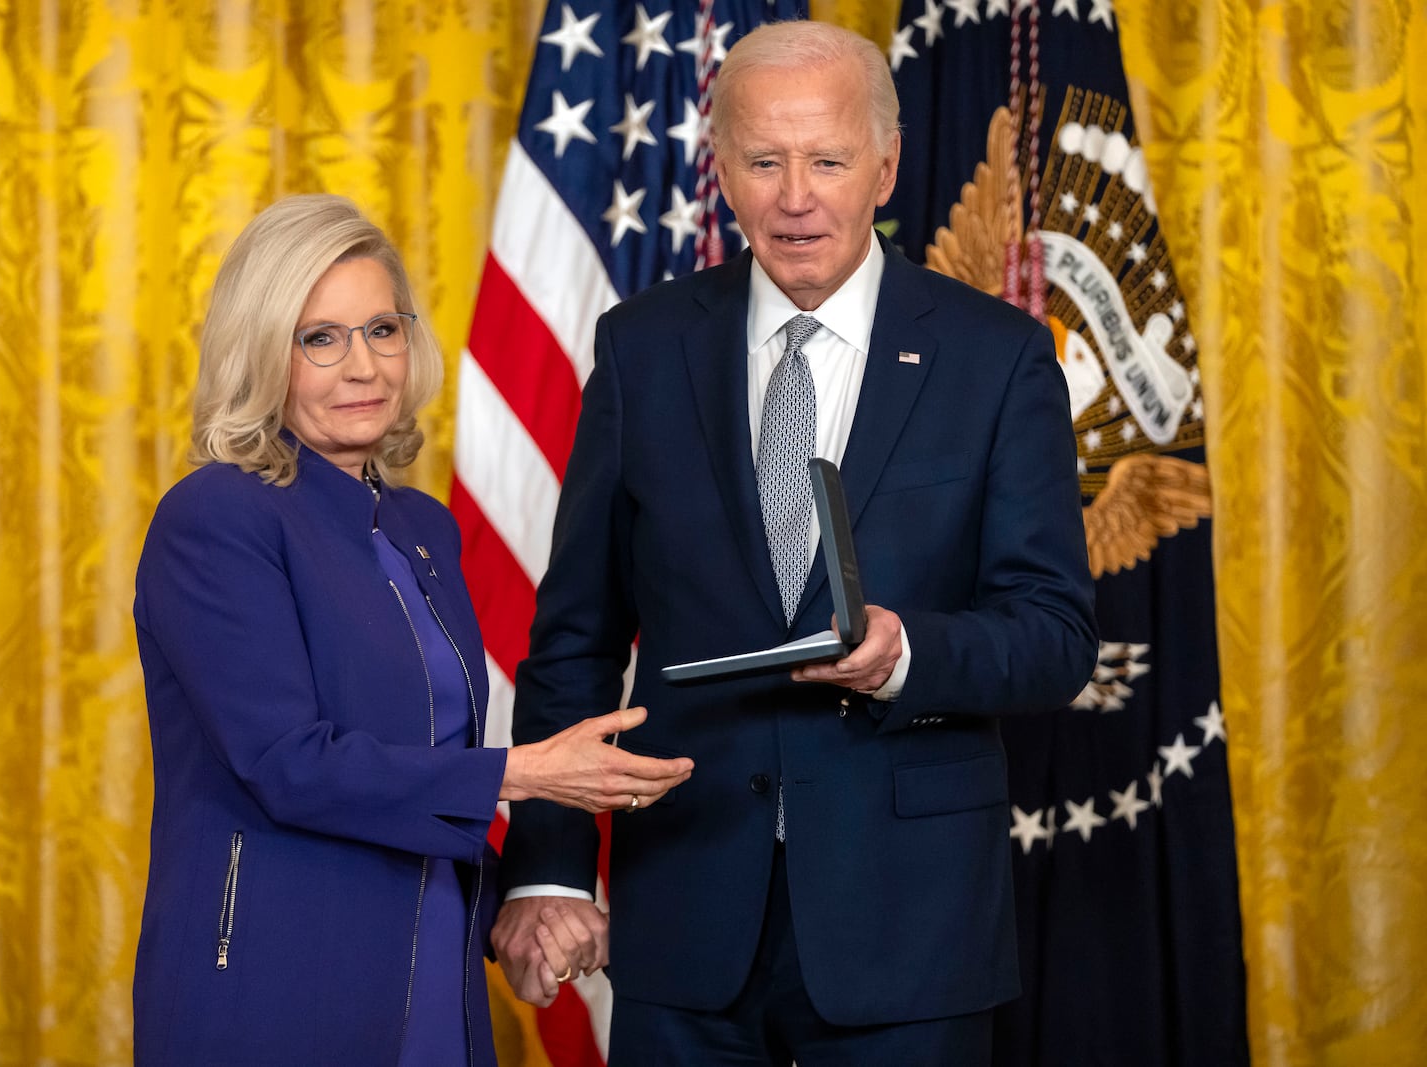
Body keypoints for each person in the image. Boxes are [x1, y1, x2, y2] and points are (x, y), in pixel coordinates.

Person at [492, 20, 1097, 1065]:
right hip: (684, 912)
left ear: (884, 164)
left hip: (907, 929)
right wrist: (548, 868)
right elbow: (574, 638)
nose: (794, 195)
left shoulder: (997, 359)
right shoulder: (642, 349)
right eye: (763, 161)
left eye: (826, 159)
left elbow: (1053, 632)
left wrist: (907, 654)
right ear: (720, 168)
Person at [131, 193, 692, 1066]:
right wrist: (527, 771)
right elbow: (290, 765)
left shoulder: (421, 527)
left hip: (431, 966)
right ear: (260, 351)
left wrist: (514, 909)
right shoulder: (215, 517)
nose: (363, 366)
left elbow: (418, 770)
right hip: (276, 985)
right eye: (321, 337)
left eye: (382, 330)